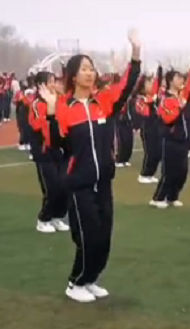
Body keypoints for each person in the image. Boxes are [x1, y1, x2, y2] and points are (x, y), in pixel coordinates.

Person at [39, 30, 141, 303]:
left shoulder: (104, 102)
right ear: (73, 75)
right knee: (89, 237)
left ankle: (91, 279)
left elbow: (128, 85)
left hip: (103, 182)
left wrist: (136, 55)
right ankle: (76, 283)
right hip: (79, 184)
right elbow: (55, 144)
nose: (90, 73)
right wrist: (50, 114)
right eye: (84, 69)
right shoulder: (63, 107)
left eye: (92, 69)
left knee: (104, 238)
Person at [151, 59, 190, 209]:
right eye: (178, 78)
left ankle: (173, 197)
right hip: (170, 141)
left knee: (182, 172)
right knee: (169, 172)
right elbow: (168, 118)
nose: (182, 80)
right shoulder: (166, 99)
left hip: (182, 142)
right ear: (171, 81)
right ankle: (158, 198)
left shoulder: (180, 97)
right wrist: (180, 108)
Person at [29, 71, 69, 234]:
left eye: (54, 81)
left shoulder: (59, 101)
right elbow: (39, 126)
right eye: (50, 82)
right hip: (44, 151)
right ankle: (44, 219)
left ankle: (58, 217)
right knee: (52, 187)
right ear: (41, 86)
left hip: (58, 150)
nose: (54, 84)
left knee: (65, 185)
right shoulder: (37, 104)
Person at [134, 67, 163, 184]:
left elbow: (158, 82)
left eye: (152, 82)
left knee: (158, 152)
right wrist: (151, 103)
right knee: (150, 152)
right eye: (148, 82)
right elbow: (144, 112)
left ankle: (151, 174)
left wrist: (160, 69)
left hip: (156, 127)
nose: (151, 84)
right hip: (147, 128)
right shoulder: (140, 99)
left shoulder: (154, 96)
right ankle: (144, 174)